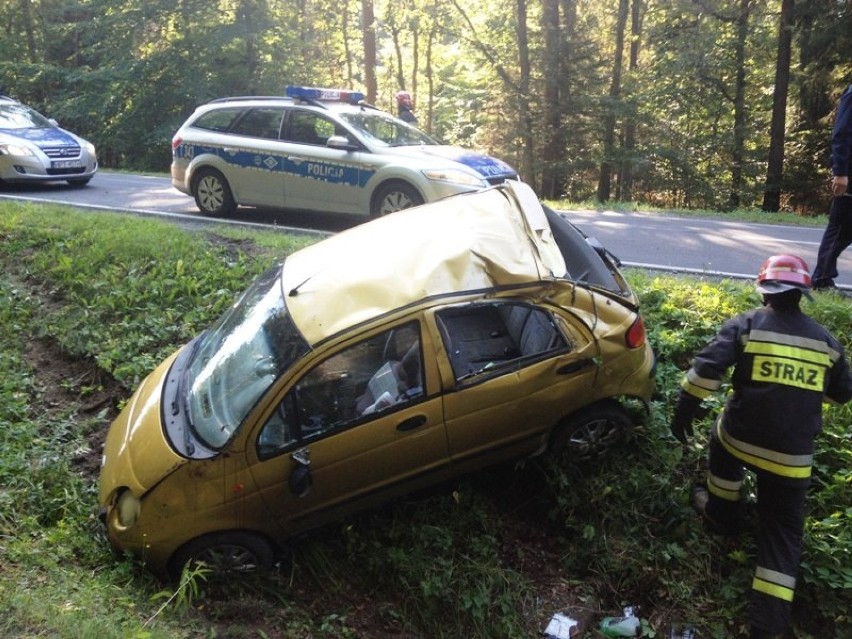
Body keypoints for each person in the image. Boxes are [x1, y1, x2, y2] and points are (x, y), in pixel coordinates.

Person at [670, 254, 852, 639]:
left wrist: (682, 414)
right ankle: (768, 626)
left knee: (721, 440)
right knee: (783, 535)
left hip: (740, 439)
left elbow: (705, 373)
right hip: (792, 460)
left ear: (763, 290)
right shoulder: (827, 343)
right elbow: (840, 396)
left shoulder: (747, 325)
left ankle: (722, 513)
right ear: (803, 295)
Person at [812, 83, 852, 291]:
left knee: (846, 230)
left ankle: (823, 275)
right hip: (849, 174)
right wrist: (840, 173)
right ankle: (821, 278)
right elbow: (842, 133)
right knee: (839, 227)